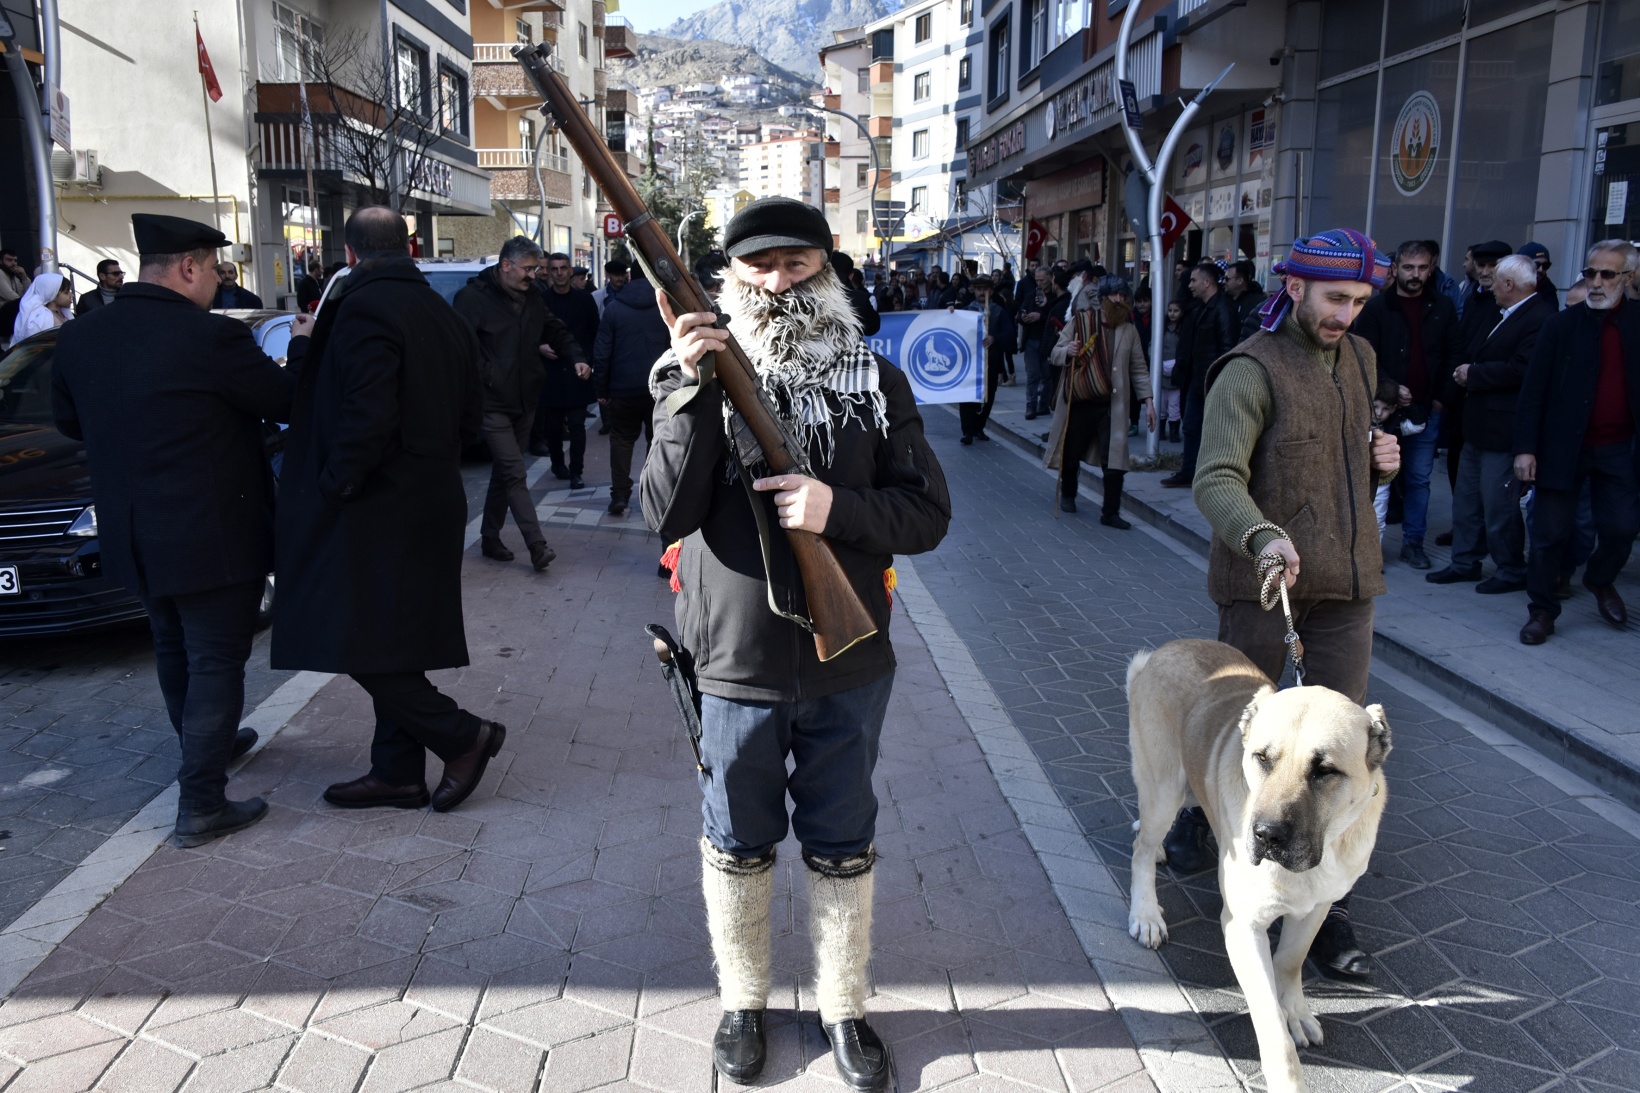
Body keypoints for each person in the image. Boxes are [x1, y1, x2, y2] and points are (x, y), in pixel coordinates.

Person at [641, 195, 950, 1092]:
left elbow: (929, 512)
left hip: (848, 653)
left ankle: (843, 1005)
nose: (779, 282)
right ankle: (744, 1002)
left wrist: (834, 509)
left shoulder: (877, 380)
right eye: (759, 266)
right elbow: (663, 512)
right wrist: (690, 389)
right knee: (736, 835)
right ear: (728, 278)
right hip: (732, 652)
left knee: (841, 831)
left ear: (829, 267)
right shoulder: (685, 375)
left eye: (799, 264)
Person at [1180, 228, 1401, 982]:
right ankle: (1206, 821)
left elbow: (1346, 447)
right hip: (1264, 584)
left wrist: (1382, 458)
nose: (1346, 314)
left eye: (1360, 302)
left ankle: (1326, 904)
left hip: (1347, 583)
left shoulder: (1363, 359)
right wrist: (1262, 535)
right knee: (1250, 735)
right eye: (1335, 298)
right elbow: (1214, 478)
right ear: (1295, 286)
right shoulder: (1248, 369)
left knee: (1334, 751)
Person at [51, 213, 310, 847]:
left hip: (131, 530)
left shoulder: (81, 337)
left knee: (173, 647)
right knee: (217, 658)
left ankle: (210, 749)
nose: (218, 285)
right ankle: (201, 802)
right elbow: (288, 403)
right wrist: (302, 345)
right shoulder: (208, 338)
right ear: (189, 267)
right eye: (216, 272)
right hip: (210, 530)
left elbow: (71, 425)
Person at [272, 206, 502, 814]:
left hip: (377, 505)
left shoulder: (365, 308)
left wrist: (336, 485)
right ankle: (397, 772)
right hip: (431, 498)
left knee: (350, 638)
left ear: (350, 255)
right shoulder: (442, 313)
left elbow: (365, 416)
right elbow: (473, 414)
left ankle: (462, 736)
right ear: (408, 246)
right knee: (391, 640)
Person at [1514, 239, 1640, 645]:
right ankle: (1542, 612)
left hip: (1619, 448)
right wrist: (1525, 448)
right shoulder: (1561, 325)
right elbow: (1533, 390)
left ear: (1630, 277)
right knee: (1550, 534)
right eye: (1590, 273)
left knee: (1622, 528)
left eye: (1607, 274)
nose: (1596, 282)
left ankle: (1600, 579)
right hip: (1562, 449)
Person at [1426, 254, 1554, 592]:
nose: (1489, 282)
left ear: (1509, 285)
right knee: (1467, 501)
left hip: (1504, 431)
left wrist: (1474, 374)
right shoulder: (1501, 313)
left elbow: (1523, 370)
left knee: (1500, 507)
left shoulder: (1539, 318)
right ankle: (1464, 562)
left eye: (1495, 278)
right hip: (1477, 427)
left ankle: (1511, 569)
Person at [455, 237, 583, 570]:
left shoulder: (533, 297)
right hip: (491, 401)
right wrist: (488, 376)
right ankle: (537, 545)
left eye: (536, 269)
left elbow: (555, 329)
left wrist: (576, 357)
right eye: (529, 269)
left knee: (504, 470)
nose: (534, 275)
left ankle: (489, 537)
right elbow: (461, 349)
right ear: (506, 266)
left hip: (526, 398)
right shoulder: (472, 299)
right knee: (513, 472)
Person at [1350, 240, 1462, 569]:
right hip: (1382, 412)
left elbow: (1453, 353)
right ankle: (1369, 547)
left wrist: (1441, 399)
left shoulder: (1442, 306)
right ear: (1396, 268)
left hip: (1425, 410)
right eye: (1409, 267)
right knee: (1375, 478)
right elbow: (1364, 351)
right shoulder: (1377, 307)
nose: (1415, 274)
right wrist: (1388, 389)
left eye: (1423, 268)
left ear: (1432, 268)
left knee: (1418, 479)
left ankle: (1413, 542)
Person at [1045, 276, 1154, 526]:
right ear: (1102, 298)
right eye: (1113, 296)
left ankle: (1110, 513)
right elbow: (1055, 352)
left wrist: (1148, 401)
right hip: (1080, 400)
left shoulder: (1129, 329)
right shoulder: (1081, 321)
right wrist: (1067, 352)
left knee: (1115, 460)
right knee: (1071, 453)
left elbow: (1138, 368)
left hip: (1111, 405)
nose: (1118, 300)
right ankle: (1068, 494)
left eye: (1122, 296)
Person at [593, 267, 669, 516]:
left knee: (622, 440)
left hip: (622, 388)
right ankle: (652, 493)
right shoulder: (665, 305)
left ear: (629, 277)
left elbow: (602, 353)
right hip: (658, 388)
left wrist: (601, 389)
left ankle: (620, 495)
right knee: (655, 441)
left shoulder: (615, 307)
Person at [1161, 262, 1239, 488]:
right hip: (1197, 380)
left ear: (1207, 282)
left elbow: (1228, 347)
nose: (1190, 285)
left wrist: (1221, 380)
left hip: (1213, 380)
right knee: (1191, 427)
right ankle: (1189, 472)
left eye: (1194, 280)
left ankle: (1208, 475)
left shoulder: (1222, 309)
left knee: (1208, 430)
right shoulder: (1200, 308)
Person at [533, 251, 600, 486]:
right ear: (548, 272)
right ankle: (558, 464)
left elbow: (595, 333)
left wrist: (589, 362)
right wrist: (540, 346)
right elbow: (530, 332)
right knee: (552, 426)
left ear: (570, 270)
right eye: (555, 269)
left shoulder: (584, 300)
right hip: (550, 372)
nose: (560, 273)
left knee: (577, 424)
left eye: (563, 268)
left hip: (577, 371)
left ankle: (576, 471)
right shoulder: (541, 301)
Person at [956, 277, 1013, 444]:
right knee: (967, 396)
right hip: (969, 363)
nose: (982, 292)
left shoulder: (998, 312)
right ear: (974, 290)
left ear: (991, 291)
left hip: (990, 362)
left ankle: (979, 428)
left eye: (985, 289)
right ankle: (967, 431)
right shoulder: (965, 311)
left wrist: (995, 338)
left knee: (988, 396)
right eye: (979, 289)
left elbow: (1009, 334)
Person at [1015, 266, 1057, 419]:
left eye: (1042, 280)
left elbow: (1056, 317)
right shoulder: (1031, 295)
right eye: (1037, 280)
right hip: (1031, 339)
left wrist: (1041, 316)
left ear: (1050, 279)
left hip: (1047, 340)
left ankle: (1043, 404)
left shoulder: (1054, 296)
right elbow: (1020, 313)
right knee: (1032, 374)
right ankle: (1030, 405)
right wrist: (1023, 317)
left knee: (1047, 375)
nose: (1039, 283)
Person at [831, 250, 881, 336]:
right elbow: (873, 328)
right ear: (851, 275)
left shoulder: (811, 297)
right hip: (850, 346)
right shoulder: (859, 299)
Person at [1157, 299, 1184, 442]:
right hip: (1161, 371)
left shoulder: (1183, 330)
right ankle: (1160, 430)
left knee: (1174, 405)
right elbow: (1153, 345)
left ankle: (1174, 431)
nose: (1172, 314)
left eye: (1176, 311)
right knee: (1161, 405)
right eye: (1170, 310)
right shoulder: (1162, 328)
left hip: (1176, 372)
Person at [1224, 259, 1266, 340]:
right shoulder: (1222, 302)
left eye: (1227, 279)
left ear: (1240, 281)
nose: (1223, 282)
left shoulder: (1257, 303)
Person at [1518, 241, 1560, 308]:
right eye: (1535, 264)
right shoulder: (1507, 287)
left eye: (1545, 265)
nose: (1540, 269)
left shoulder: (1549, 291)